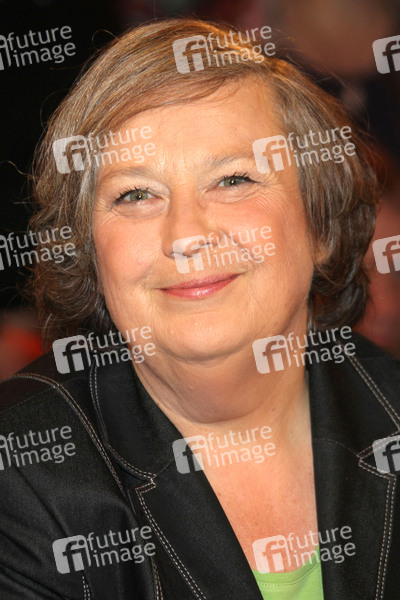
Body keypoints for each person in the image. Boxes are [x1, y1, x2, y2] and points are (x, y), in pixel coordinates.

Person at [0, 18, 399, 600]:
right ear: (89, 251)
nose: (186, 235)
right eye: (136, 194)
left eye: (233, 180)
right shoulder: (20, 475)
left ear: (320, 224)